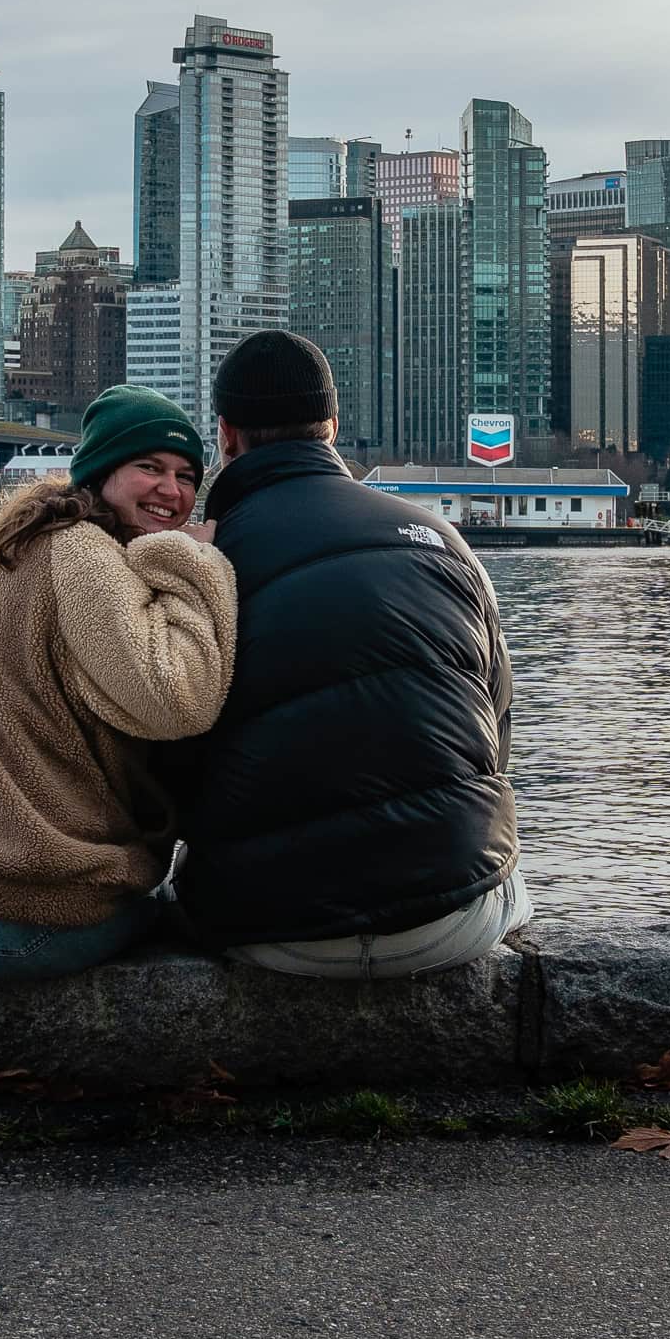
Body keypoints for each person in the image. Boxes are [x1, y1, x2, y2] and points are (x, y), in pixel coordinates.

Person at [164, 329, 528, 976]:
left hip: (271, 933)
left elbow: (170, 763)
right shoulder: (442, 540)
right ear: (331, 426)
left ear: (225, 435)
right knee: (514, 880)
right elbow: (495, 734)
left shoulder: (197, 562)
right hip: (448, 922)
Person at [0, 384, 239, 978]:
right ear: (103, 470)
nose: (173, 490)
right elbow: (176, 701)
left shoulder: (25, 543)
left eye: (187, 475)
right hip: (8, 916)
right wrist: (191, 560)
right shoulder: (81, 554)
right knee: (183, 913)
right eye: (149, 467)